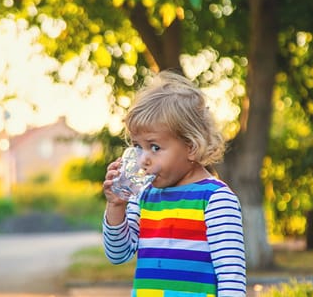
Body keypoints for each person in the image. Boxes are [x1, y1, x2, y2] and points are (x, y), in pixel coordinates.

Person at [102, 70, 246, 297]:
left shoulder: (215, 199)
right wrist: (116, 206)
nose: (144, 158)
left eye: (155, 147)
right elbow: (118, 253)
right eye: (139, 147)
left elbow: (232, 278)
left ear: (191, 147)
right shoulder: (143, 196)